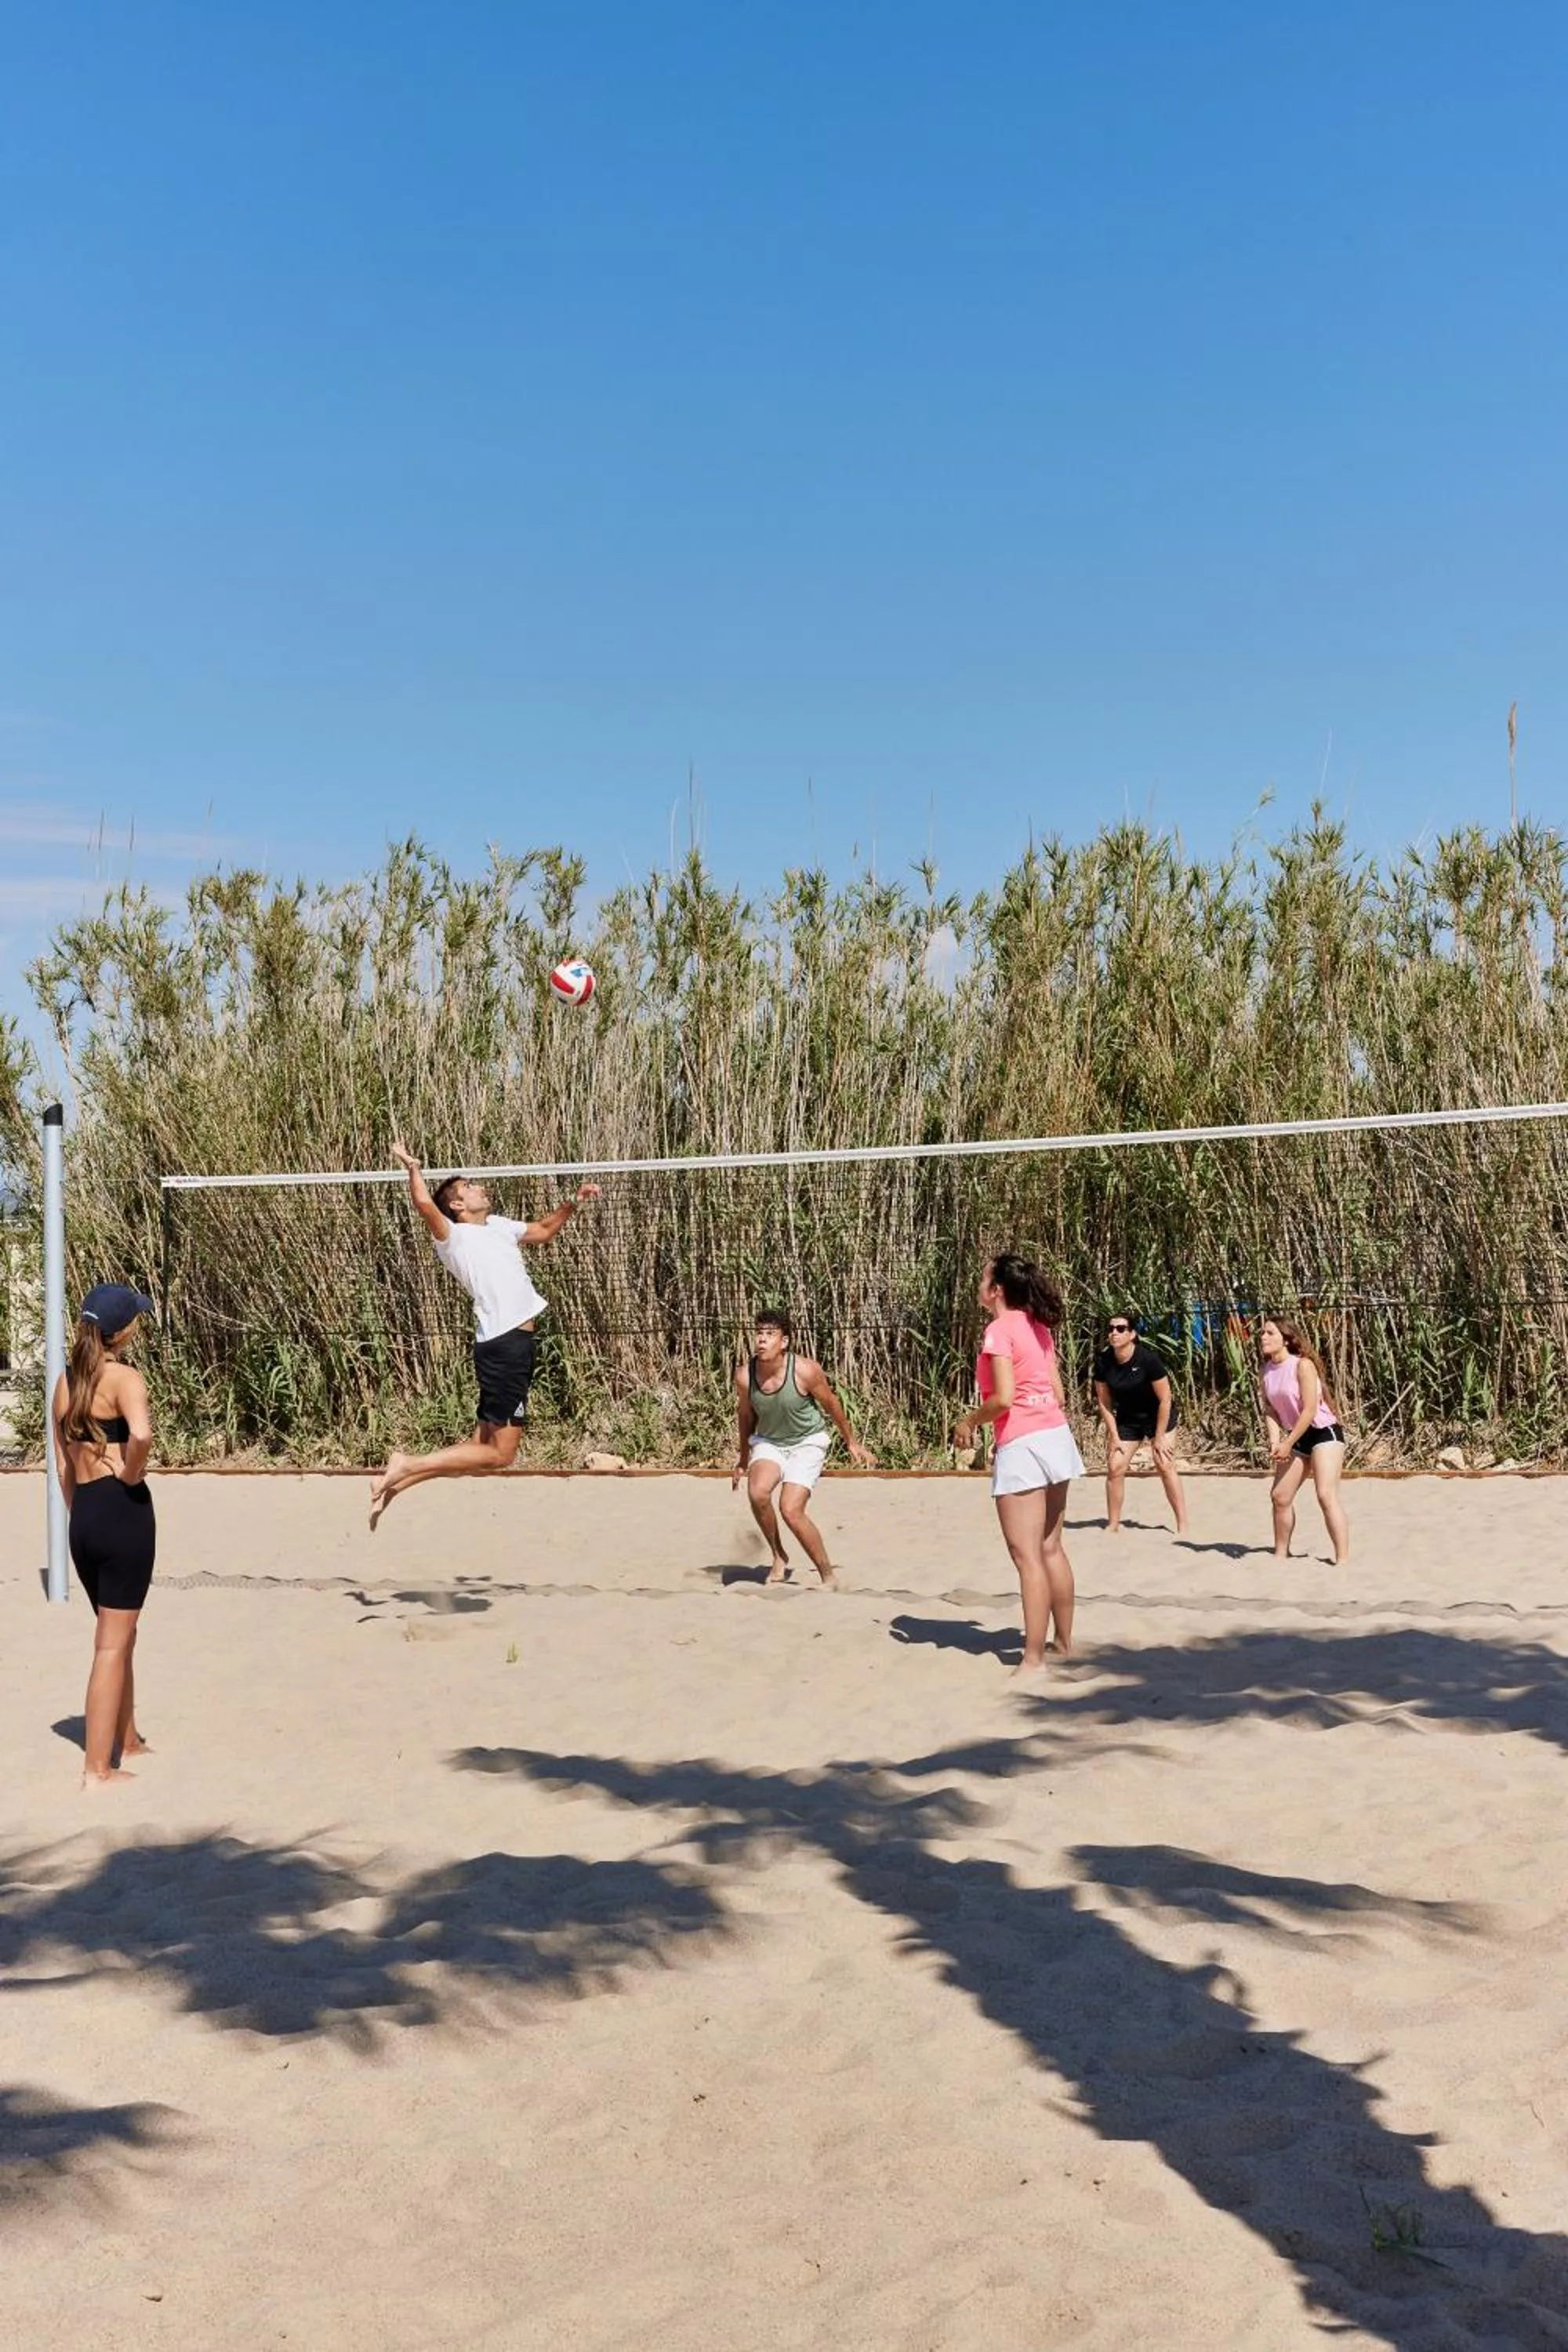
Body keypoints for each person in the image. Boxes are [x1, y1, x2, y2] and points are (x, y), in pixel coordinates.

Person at [369, 1143, 601, 1528]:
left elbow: (543, 1232)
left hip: (513, 1346)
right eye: (469, 1187)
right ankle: (407, 1463)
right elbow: (426, 1205)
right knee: (501, 1456)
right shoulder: (453, 1237)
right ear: (458, 1206)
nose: (479, 1188)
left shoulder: (498, 1226)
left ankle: (398, 1483)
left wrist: (572, 1203)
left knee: (481, 1447)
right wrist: (413, 1168)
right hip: (504, 1346)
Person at [955, 1253, 1085, 1673]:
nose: (978, 1282)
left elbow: (1004, 1398)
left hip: (1024, 1443)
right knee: (1050, 1548)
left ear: (997, 1291)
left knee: (1026, 1555)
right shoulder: (1040, 1327)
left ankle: (1032, 1660)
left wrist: (969, 1422)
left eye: (983, 1277)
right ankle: (1064, 1645)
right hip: (1056, 1436)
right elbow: (1060, 1395)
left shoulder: (999, 1330)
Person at [51, 1283, 157, 1784]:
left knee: (121, 1632)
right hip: (120, 1513)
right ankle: (97, 1767)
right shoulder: (125, 1379)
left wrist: (81, 1512)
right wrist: (131, 1476)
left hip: (86, 1517)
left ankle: (128, 1738)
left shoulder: (66, 1382)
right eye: (137, 1317)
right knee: (111, 1644)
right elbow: (140, 1435)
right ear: (122, 1331)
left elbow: (62, 1467)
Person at [732, 1309, 875, 1585]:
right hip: (770, 1441)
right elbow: (746, 1415)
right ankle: (778, 1556)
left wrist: (852, 1442)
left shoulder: (805, 1370)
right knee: (758, 1493)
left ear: (784, 1342)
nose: (762, 1340)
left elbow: (832, 1404)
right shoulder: (745, 1376)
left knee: (790, 1510)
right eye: (759, 1333)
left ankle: (827, 1574)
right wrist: (743, 1458)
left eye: (770, 1334)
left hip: (807, 1441)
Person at [1258, 1315, 1350, 1566]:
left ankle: (1342, 1560)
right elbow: (1270, 1409)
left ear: (1286, 1339)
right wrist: (1276, 1441)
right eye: (1262, 1333)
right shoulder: (1267, 1369)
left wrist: (1288, 1443)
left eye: (1270, 1333)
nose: (1263, 1337)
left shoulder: (1303, 1365)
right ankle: (1280, 1554)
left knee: (1325, 1495)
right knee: (1280, 1496)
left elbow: (1309, 1409)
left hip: (1322, 1431)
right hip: (1295, 1435)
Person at [1093, 1313, 1189, 1535]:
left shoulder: (1148, 1359)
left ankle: (1183, 1523)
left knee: (1164, 1463)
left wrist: (1160, 1436)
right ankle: (1113, 1525)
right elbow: (1104, 1402)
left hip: (1158, 1417)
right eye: (1111, 1328)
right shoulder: (1103, 1361)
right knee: (1115, 1466)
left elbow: (1166, 1398)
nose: (1114, 1333)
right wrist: (1114, 1436)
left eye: (1120, 1328)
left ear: (1132, 1334)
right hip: (1128, 1419)